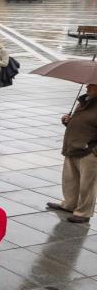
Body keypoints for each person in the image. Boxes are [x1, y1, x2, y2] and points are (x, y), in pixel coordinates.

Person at [48, 83, 97, 223]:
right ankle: (69, 204)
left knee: (87, 184)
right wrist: (68, 121)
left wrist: (94, 151)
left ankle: (84, 213)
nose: (87, 86)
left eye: (92, 85)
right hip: (73, 147)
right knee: (70, 180)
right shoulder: (84, 101)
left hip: (89, 152)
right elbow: (81, 123)